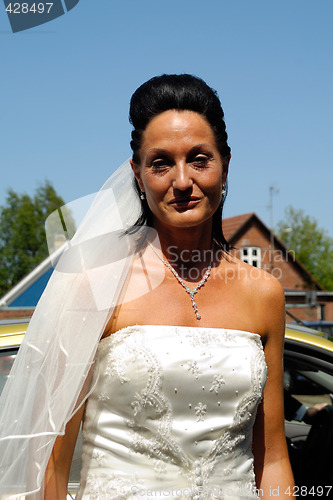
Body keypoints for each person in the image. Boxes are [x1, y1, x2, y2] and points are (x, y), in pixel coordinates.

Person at [0, 74, 294, 500]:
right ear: (137, 175)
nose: (181, 181)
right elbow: (52, 460)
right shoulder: (94, 283)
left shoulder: (264, 294)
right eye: (160, 163)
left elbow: (273, 458)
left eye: (199, 159)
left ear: (225, 165)